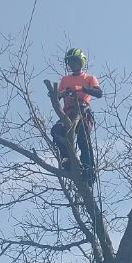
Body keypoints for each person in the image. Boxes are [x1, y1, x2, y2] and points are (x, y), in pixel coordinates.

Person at [50, 47, 102, 182]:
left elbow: (98, 93)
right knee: (56, 131)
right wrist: (58, 94)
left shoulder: (89, 78)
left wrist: (82, 88)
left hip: (83, 112)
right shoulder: (65, 79)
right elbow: (58, 96)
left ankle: (88, 169)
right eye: (70, 62)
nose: (72, 65)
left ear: (80, 62)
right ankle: (67, 159)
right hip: (68, 114)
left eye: (74, 61)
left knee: (83, 140)